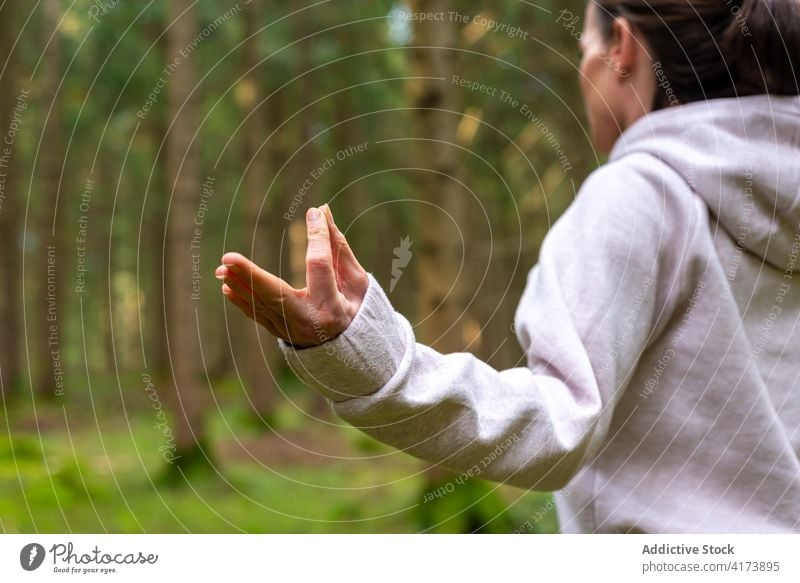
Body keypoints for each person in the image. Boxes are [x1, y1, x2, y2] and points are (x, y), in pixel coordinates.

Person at [215, 0, 800, 533]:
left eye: (582, 50)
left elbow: (556, 427)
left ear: (619, 48)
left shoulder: (640, 197)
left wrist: (364, 354)